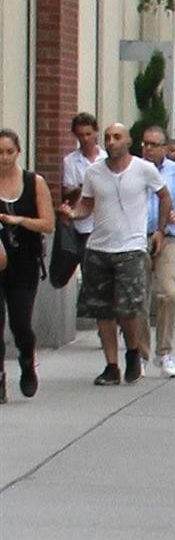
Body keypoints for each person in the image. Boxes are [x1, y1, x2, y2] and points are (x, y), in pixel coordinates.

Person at [74, 121, 167, 384]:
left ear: (128, 142)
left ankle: (133, 352)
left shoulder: (143, 169)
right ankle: (111, 366)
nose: (111, 141)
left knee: (128, 309)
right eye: (108, 137)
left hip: (130, 248)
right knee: (102, 311)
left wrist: (160, 230)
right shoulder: (94, 172)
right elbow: (87, 205)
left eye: (117, 137)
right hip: (99, 247)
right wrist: (73, 213)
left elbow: (164, 196)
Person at [0, 127, 54, 397]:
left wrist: (19, 220)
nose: (4, 157)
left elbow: (48, 224)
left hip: (24, 263)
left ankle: (27, 360)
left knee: (20, 323)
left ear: (18, 152)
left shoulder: (34, 182)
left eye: (9, 151)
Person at [139, 126, 175, 377]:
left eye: (153, 145)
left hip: (168, 237)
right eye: (145, 144)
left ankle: (165, 351)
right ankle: (140, 353)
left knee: (169, 293)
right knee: (138, 299)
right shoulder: (134, 170)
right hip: (138, 238)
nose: (148, 149)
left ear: (164, 148)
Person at [54, 110, 101, 289]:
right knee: (89, 274)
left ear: (95, 132)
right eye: (81, 135)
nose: (85, 139)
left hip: (103, 223)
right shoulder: (71, 161)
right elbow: (67, 193)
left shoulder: (106, 159)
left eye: (88, 134)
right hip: (83, 225)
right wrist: (80, 188)